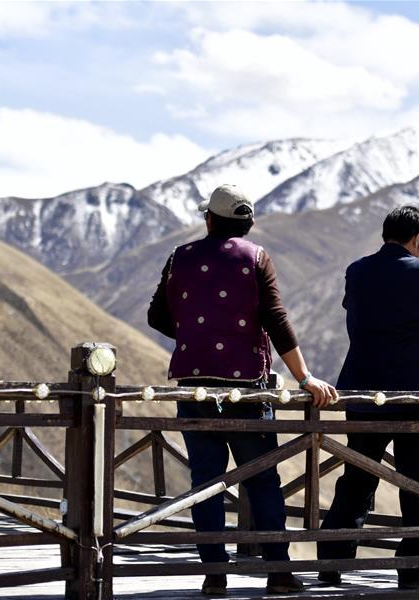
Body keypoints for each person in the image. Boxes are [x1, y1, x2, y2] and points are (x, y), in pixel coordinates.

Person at [148, 184, 337, 595]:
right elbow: (276, 319)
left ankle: (215, 573)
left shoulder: (180, 257)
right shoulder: (256, 259)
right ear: (248, 224)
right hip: (246, 392)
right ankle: (279, 572)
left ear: (209, 220)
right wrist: (304, 378)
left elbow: (156, 315)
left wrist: (195, 335)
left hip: (194, 390)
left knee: (205, 481)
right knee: (262, 479)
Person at [316, 205, 419, 590]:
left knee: (356, 480)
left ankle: (332, 563)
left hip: (363, 394)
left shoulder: (357, 271)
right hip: (417, 399)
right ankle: (414, 570)